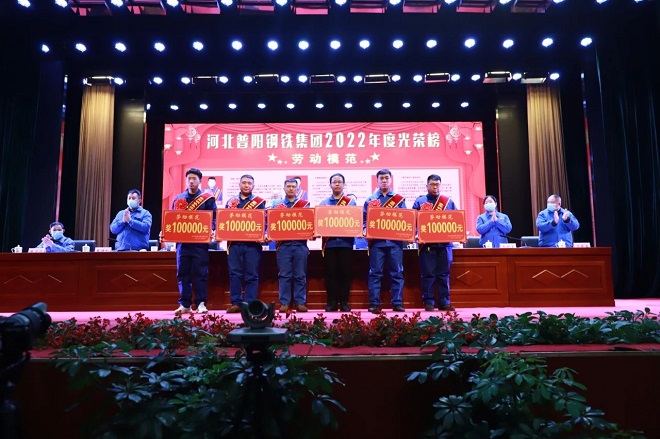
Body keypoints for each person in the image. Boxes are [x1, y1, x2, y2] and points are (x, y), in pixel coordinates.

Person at [172, 168, 217, 316]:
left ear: (200, 181)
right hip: (183, 244)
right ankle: (185, 304)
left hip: (200, 244)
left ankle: (200, 303)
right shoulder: (179, 198)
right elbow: (171, 219)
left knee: (200, 273)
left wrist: (212, 229)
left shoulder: (207, 199)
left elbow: (214, 218)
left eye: (194, 179)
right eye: (189, 179)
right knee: (182, 273)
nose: (191, 181)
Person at [363, 169, 407, 314]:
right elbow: (364, 220)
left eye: (386, 178)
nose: (384, 180)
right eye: (381, 178)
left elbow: (406, 219)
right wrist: (365, 230)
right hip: (377, 243)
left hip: (395, 243)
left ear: (390, 180)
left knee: (397, 273)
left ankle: (397, 303)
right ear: (377, 180)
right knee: (375, 273)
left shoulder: (399, 200)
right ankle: (374, 303)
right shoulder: (370, 200)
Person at [412, 174, 457, 312]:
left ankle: (444, 302)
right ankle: (429, 302)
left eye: (437, 184)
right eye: (432, 184)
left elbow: (456, 220)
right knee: (428, 274)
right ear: (427, 186)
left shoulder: (448, 202)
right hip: (427, 245)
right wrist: (415, 234)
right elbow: (412, 222)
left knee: (444, 274)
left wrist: (458, 235)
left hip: (445, 245)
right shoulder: (420, 202)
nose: (435, 187)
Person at [224, 175, 266, 313]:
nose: (246, 185)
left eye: (249, 183)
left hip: (253, 245)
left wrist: (264, 234)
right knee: (235, 274)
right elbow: (224, 220)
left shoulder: (259, 202)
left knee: (252, 275)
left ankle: (249, 304)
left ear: (253, 186)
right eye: (244, 182)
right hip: (235, 244)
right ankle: (236, 303)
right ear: (239, 184)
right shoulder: (231, 202)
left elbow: (265, 222)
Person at [319, 173, 355, 312]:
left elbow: (355, 221)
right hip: (330, 244)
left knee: (346, 273)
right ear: (330, 185)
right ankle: (332, 302)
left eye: (340, 182)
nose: (337, 184)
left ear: (344, 185)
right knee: (331, 274)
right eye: (334, 182)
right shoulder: (324, 204)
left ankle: (344, 302)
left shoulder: (351, 203)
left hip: (346, 244)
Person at [273, 178, 310, 313]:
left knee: (300, 275)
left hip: (300, 245)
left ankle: (300, 302)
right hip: (283, 246)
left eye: (293, 186)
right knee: (284, 275)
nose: (291, 188)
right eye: (288, 186)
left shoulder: (305, 205)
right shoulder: (276, 205)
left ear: (297, 189)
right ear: (284, 188)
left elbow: (309, 223)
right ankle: (284, 303)